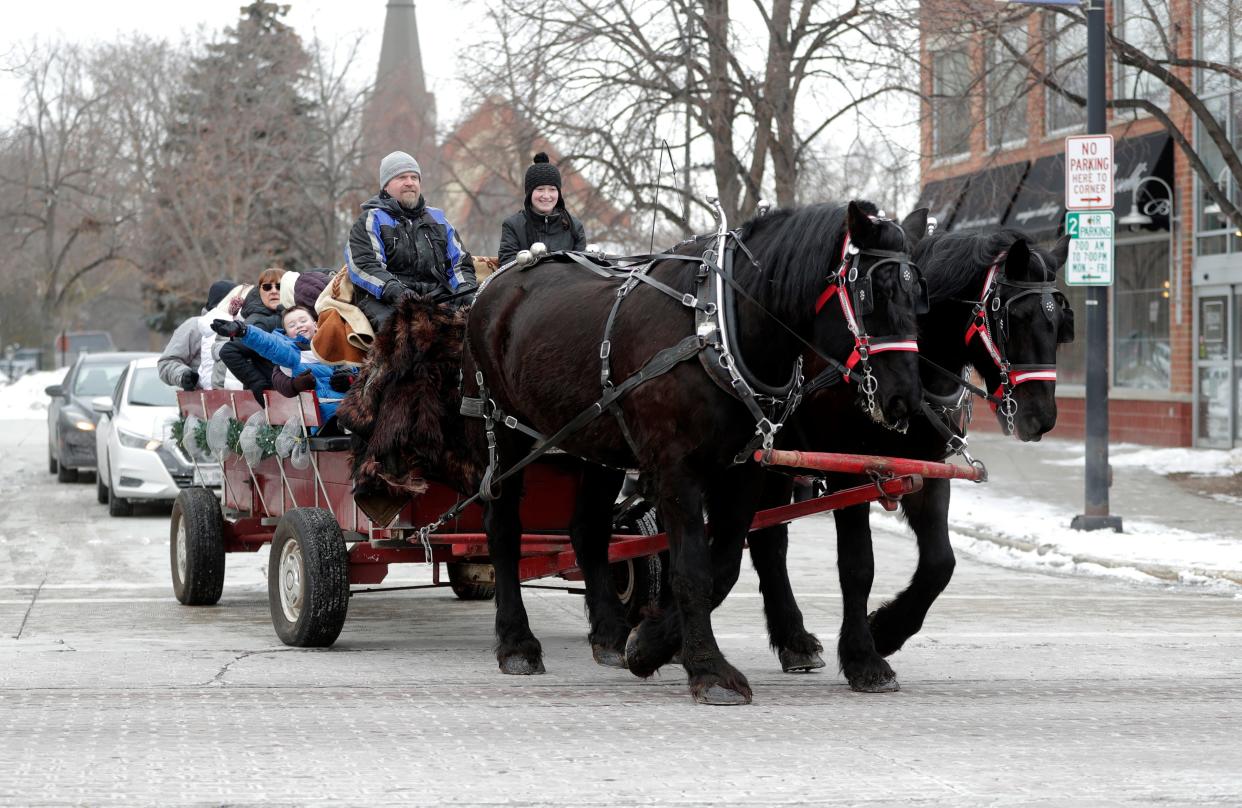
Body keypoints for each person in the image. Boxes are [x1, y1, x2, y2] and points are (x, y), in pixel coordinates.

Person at [345, 151, 477, 331]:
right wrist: (397, 291)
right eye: (401, 177)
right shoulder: (370, 220)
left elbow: (459, 262)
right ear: (385, 186)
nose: (410, 182)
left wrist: (464, 288)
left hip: (437, 296)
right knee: (406, 338)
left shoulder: (438, 220)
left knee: (477, 326)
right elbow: (364, 265)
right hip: (386, 301)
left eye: (414, 177)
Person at [211, 306, 355, 422]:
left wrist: (350, 378)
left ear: (316, 324)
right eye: (292, 325)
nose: (299, 326)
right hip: (326, 419)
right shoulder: (292, 355)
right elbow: (270, 345)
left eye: (303, 320)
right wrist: (243, 331)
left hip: (353, 408)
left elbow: (361, 369)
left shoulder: (336, 346)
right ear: (286, 334)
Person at [497, 152, 587, 265]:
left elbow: (581, 268)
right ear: (529, 193)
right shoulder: (513, 225)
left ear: (559, 193)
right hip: (525, 283)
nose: (546, 196)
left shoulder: (574, 227)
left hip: (566, 282)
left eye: (552, 189)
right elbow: (506, 264)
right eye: (540, 189)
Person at [218, 268, 286, 402]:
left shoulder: (301, 315)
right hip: (274, 398)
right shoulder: (256, 322)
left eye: (279, 286)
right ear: (259, 291)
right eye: (267, 287)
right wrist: (257, 382)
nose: (273, 290)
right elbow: (229, 352)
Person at [157, 279, 236, 391]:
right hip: (199, 403)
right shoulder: (194, 327)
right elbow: (166, 363)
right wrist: (184, 376)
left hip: (239, 401)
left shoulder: (243, 327)